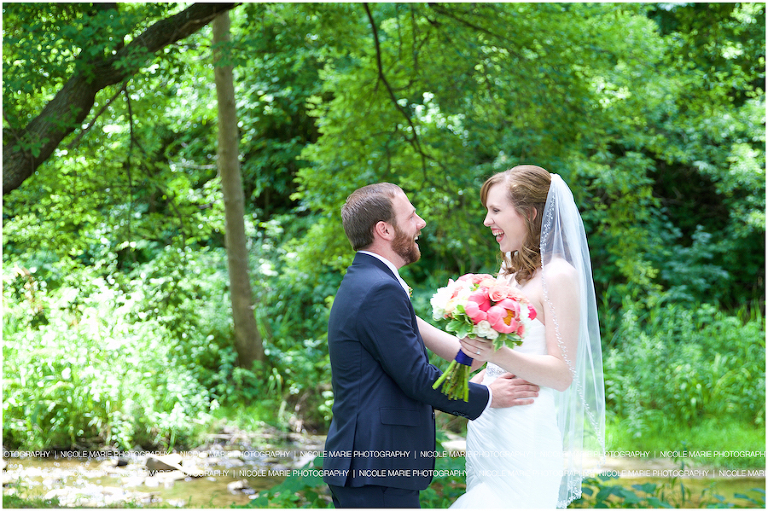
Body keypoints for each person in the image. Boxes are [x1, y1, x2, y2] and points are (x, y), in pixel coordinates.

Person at [323, 183, 540, 508]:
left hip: (371, 467)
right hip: (376, 470)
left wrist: (471, 365)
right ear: (384, 229)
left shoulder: (367, 281)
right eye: (411, 216)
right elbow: (417, 379)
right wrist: (491, 395)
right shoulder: (380, 290)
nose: (421, 223)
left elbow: (395, 378)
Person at [423, 165, 606, 508]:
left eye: (495, 211)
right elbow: (475, 356)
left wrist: (497, 355)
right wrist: (410, 320)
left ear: (529, 214)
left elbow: (563, 374)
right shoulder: (508, 272)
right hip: (490, 421)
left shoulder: (559, 276)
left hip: (526, 430)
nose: (487, 221)